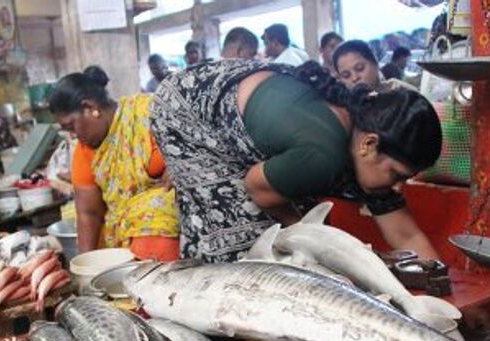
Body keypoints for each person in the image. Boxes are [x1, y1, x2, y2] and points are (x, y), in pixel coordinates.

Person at [150, 60, 442, 263]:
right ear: (369, 144)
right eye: (396, 175)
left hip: (257, 108)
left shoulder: (364, 137)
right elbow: (257, 187)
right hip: (188, 108)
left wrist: (450, 301)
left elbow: (407, 236)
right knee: (246, 247)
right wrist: (310, 236)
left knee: (299, 225)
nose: (399, 187)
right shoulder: (323, 156)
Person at [49, 66, 179, 260]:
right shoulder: (85, 152)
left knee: (156, 207)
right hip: (121, 240)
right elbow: (88, 214)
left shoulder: (149, 114)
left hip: (172, 230)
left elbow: (199, 140)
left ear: (90, 108)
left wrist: (183, 165)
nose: (73, 135)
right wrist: (86, 266)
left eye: (71, 126)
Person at [333, 40, 417, 92]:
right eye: (346, 75)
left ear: (375, 64)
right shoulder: (345, 111)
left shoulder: (404, 94)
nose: (354, 78)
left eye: (360, 68)